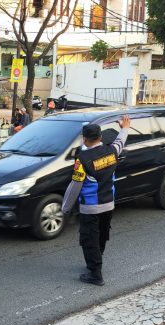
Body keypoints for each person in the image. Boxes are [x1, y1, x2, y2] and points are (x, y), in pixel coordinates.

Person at [61, 115, 131, 286]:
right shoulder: (111, 152)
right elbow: (120, 142)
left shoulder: (82, 160)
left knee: (89, 239)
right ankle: (96, 261)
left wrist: (65, 208)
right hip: (109, 204)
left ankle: (95, 274)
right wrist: (125, 128)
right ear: (100, 137)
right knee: (101, 235)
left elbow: (75, 186)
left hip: (91, 207)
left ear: (84, 139)